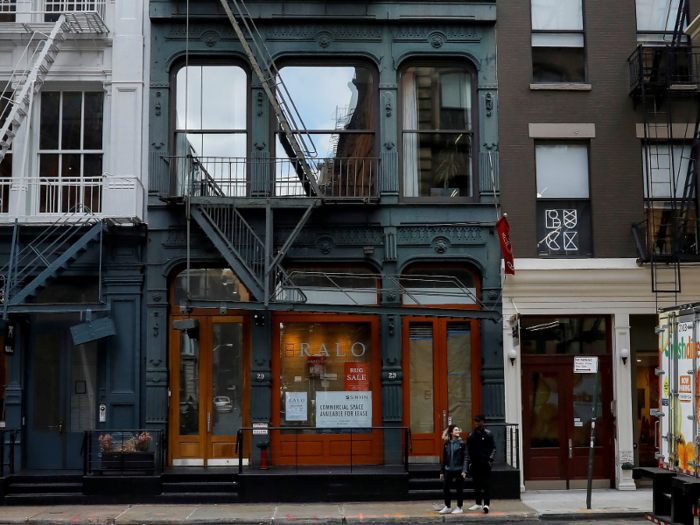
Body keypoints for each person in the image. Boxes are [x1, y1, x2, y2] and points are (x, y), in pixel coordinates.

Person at [466, 414, 496, 514]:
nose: (476, 423)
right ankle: (478, 503)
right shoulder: (471, 435)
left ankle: (486, 504)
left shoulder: (488, 434)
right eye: (475, 421)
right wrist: (469, 461)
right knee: (476, 483)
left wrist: (490, 460)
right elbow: (468, 449)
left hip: (485, 462)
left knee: (486, 483)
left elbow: (493, 448)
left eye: (478, 421)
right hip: (475, 463)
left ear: (483, 422)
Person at [438, 424, 468, 515]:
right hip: (448, 469)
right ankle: (448, 506)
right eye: (456, 430)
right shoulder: (447, 444)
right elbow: (444, 458)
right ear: (451, 432)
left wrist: (464, 470)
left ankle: (459, 507)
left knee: (459, 489)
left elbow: (466, 457)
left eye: (458, 430)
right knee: (446, 487)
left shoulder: (462, 443)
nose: (458, 431)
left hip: (459, 469)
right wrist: (442, 471)